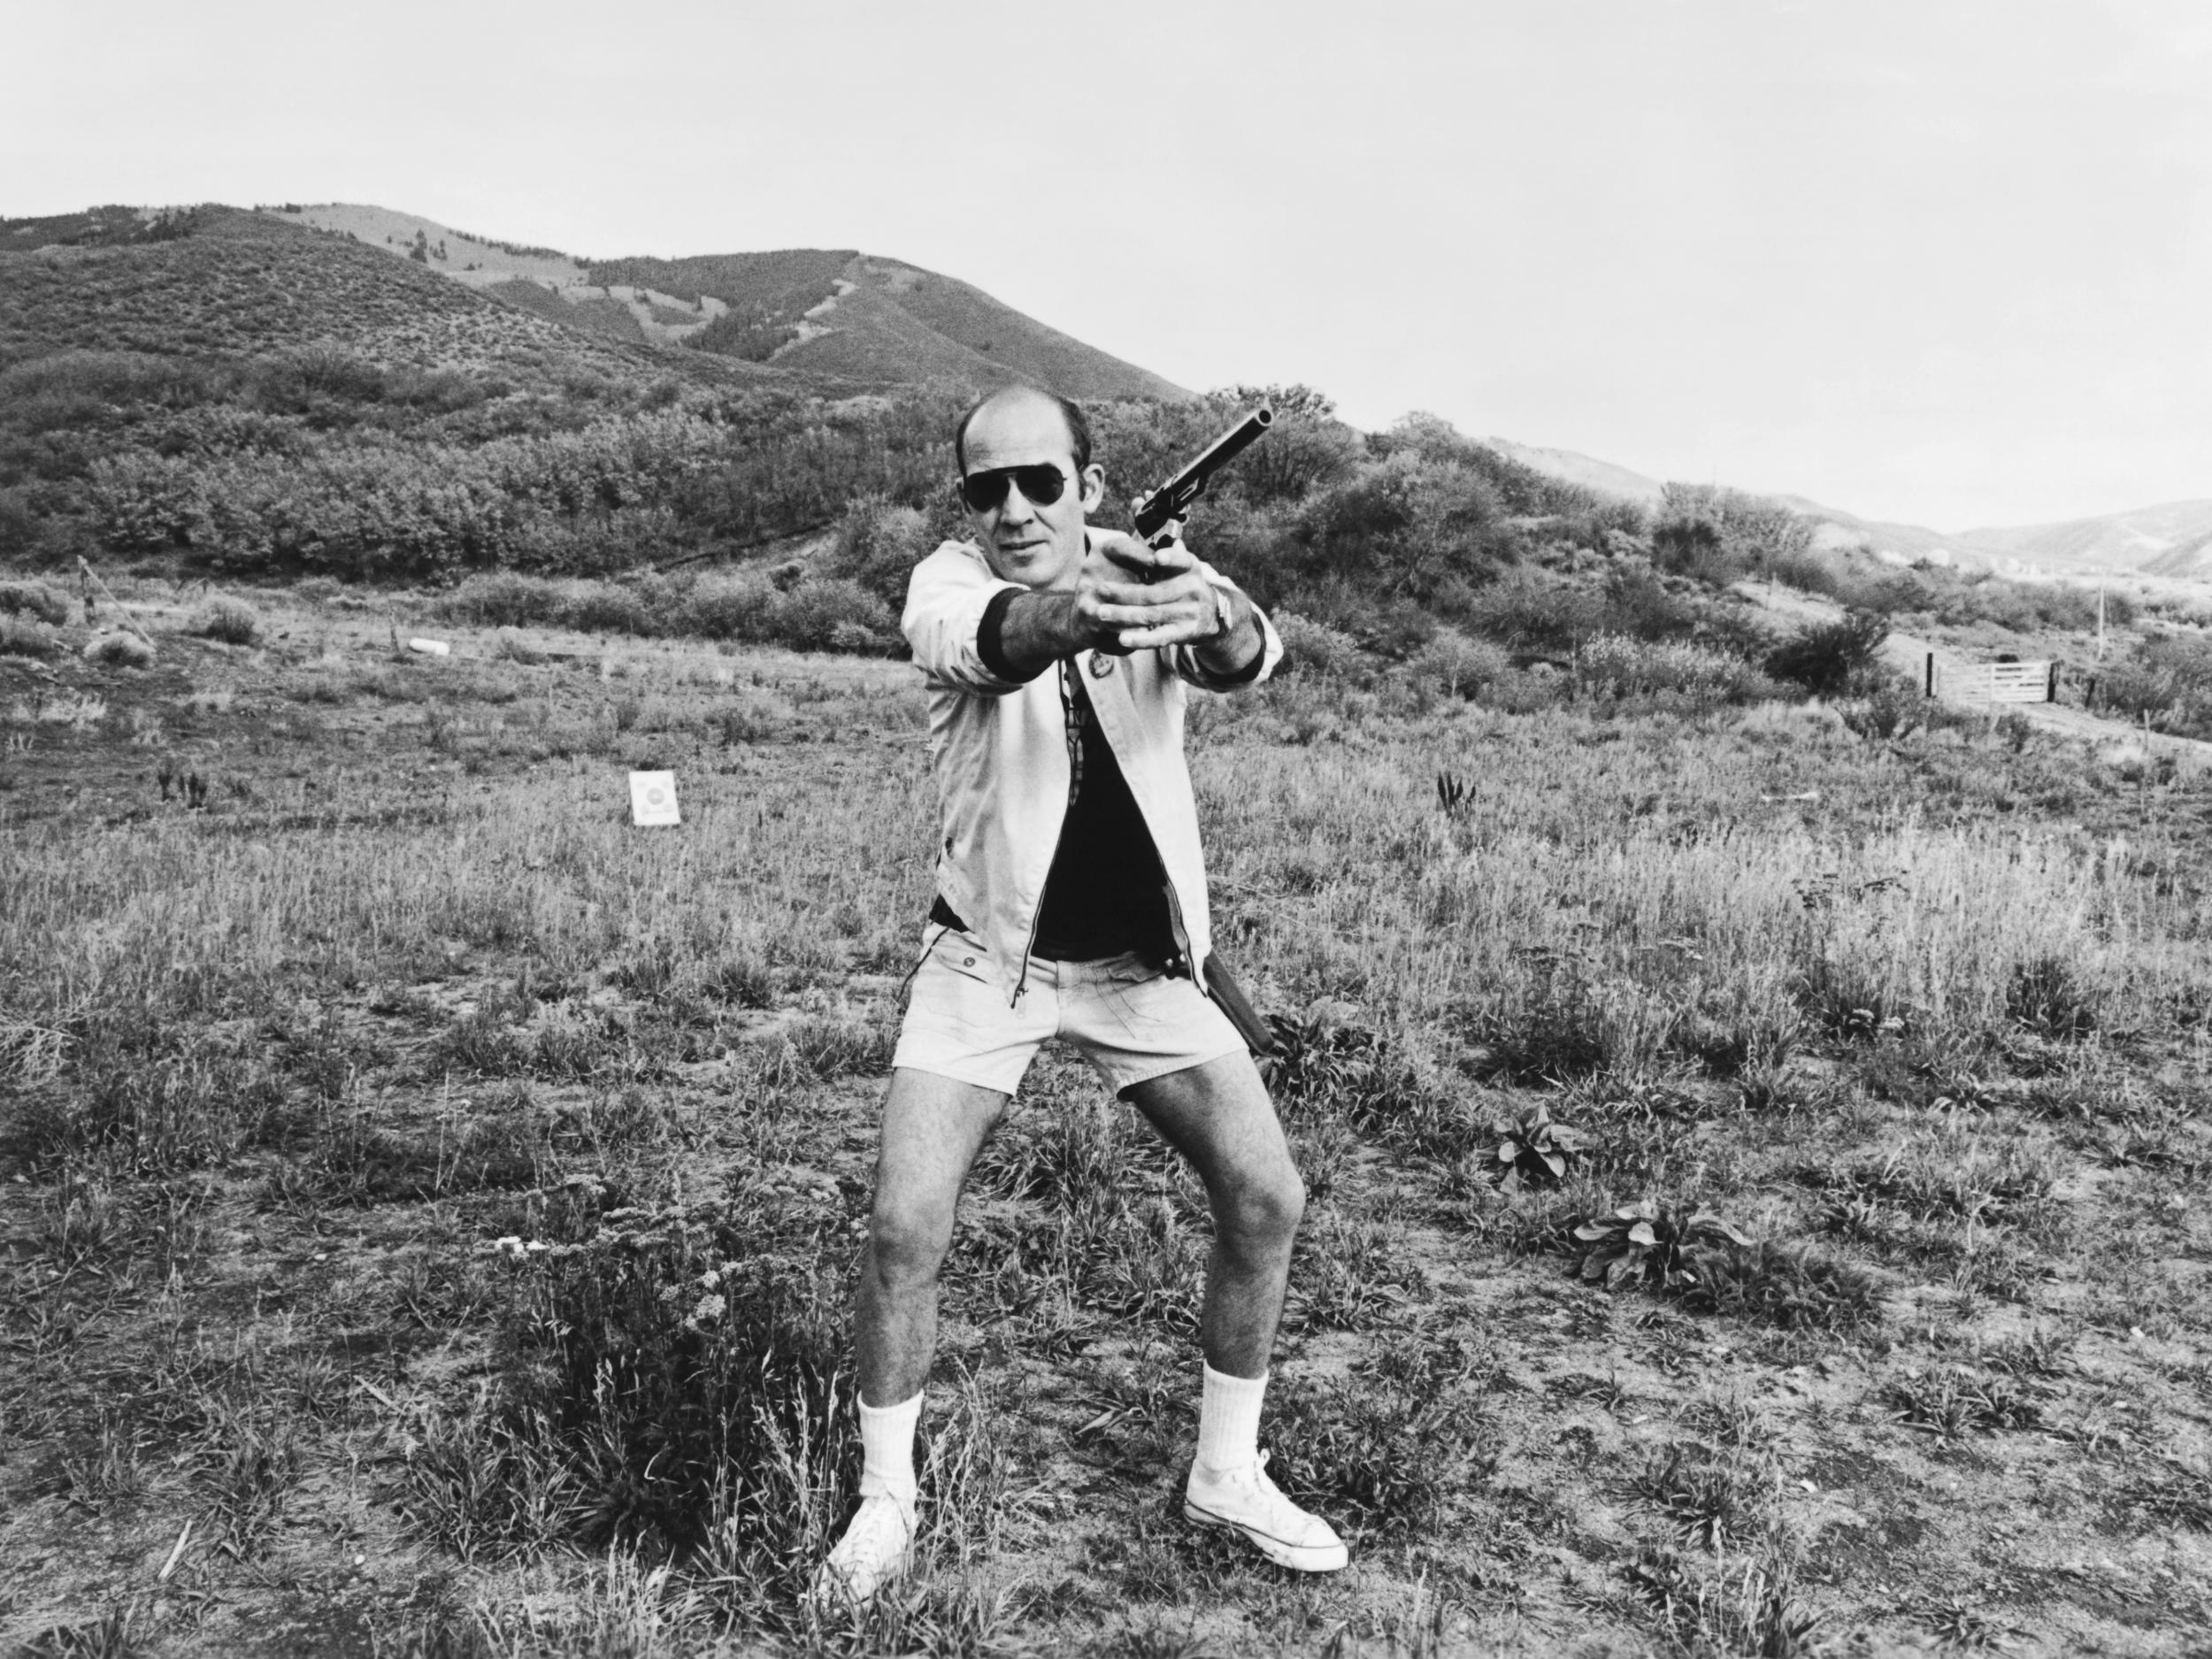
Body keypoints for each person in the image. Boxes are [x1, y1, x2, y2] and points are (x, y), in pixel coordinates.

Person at [814, 385, 1347, 1604]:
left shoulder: (1150, 565)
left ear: (1088, 487)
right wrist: (1083, 607)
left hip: (1139, 968)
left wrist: (1200, 609)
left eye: (1039, 482)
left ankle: (1226, 1470)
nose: (1010, 507)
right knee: (904, 1226)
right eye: (984, 487)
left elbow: (1245, 658)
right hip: (987, 962)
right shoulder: (944, 583)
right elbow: (995, 638)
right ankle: (885, 1501)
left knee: (1267, 1196)